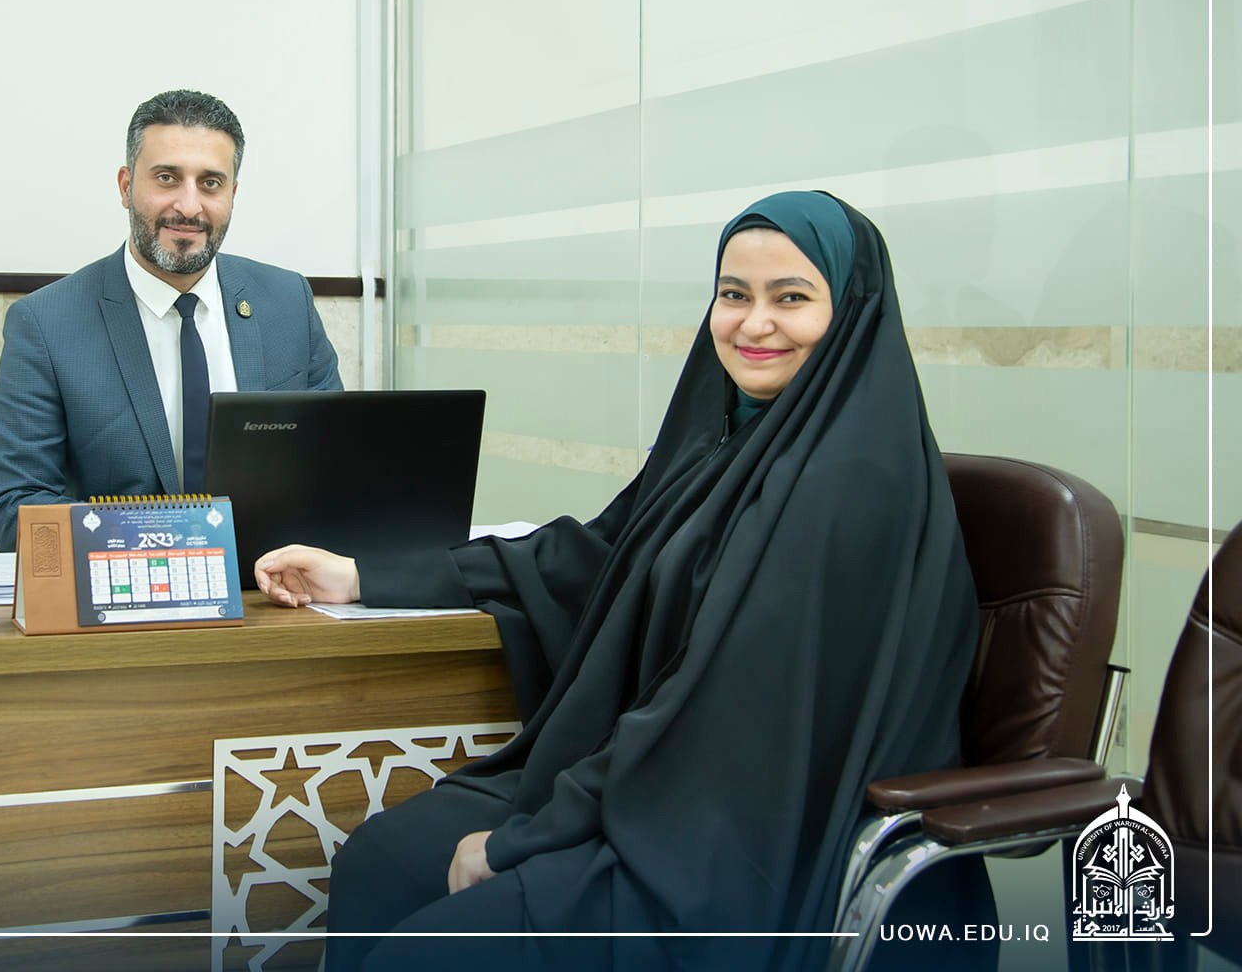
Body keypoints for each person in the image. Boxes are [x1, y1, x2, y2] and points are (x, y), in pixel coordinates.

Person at [253, 191, 993, 971]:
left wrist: (521, 842)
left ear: (850, 313)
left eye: (791, 299)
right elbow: (599, 556)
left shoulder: (849, 486)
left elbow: (721, 712)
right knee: (380, 861)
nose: (753, 324)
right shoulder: (728, 440)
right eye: (733, 294)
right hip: (652, 783)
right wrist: (363, 575)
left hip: (734, 841)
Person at [0, 89, 342, 551]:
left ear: (233, 194)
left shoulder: (288, 302)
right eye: (167, 178)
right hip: (125, 587)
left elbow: (335, 471)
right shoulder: (46, 323)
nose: (189, 206)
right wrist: (168, 545)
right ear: (126, 186)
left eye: (210, 183)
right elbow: (14, 508)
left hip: (267, 585)